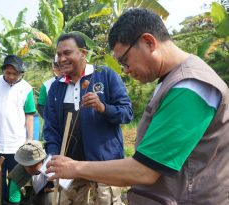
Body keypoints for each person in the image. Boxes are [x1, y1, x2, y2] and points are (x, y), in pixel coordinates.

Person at [46, 8, 229, 205]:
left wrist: (75, 168)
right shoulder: (172, 81)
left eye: (125, 60)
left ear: (149, 42)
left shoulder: (191, 87)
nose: (126, 70)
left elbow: (145, 170)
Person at [43, 32, 133, 205]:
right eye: (59, 54)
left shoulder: (105, 75)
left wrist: (102, 107)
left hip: (105, 165)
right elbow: (51, 128)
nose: (61, 59)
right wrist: (55, 157)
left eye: (67, 53)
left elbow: (126, 113)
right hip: (70, 166)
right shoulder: (56, 87)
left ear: (83, 53)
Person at [0, 54, 36, 204]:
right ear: (3, 71)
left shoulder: (26, 88)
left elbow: (29, 115)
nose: (11, 76)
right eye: (8, 73)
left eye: (15, 73)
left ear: (21, 73)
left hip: (17, 144)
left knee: (15, 179)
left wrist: (30, 139)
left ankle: (14, 202)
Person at [7, 140, 54, 205]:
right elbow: (14, 202)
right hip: (27, 201)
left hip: (44, 195)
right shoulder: (16, 177)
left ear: (42, 160)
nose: (28, 168)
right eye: (26, 165)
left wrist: (53, 186)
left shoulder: (51, 164)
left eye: (32, 165)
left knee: (51, 198)